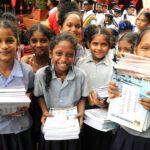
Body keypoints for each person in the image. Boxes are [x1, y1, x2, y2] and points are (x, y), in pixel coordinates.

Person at [33, 32, 88, 150]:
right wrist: (44, 111)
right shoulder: (41, 74)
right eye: (58, 53)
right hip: (50, 129)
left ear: (74, 56)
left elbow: (82, 97)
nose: (64, 59)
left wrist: (81, 113)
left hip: (72, 128)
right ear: (50, 53)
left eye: (69, 55)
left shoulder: (80, 75)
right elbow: (39, 96)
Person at [108, 27, 150, 150]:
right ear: (136, 49)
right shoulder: (124, 70)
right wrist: (113, 94)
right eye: (145, 48)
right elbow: (114, 102)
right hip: (126, 136)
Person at [78, 24, 116, 150]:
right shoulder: (81, 63)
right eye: (95, 44)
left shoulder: (113, 67)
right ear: (88, 44)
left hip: (102, 115)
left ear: (109, 45)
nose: (99, 48)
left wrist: (104, 104)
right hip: (82, 111)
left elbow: (114, 94)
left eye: (103, 44)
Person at [0, 19, 35, 150]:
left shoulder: (27, 71)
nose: (4, 46)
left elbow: (31, 91)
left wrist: (28, 99)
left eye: (9, 41)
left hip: (22, 130)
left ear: (18, 44)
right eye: (0, 41)